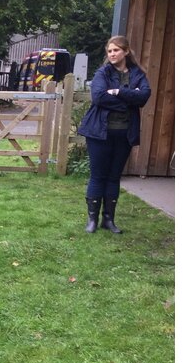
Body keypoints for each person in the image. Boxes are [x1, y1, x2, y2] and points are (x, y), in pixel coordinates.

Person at [76, 35, 151, 234]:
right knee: (98, 176)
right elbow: (99, 97)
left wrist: (118, 92)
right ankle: (92, 220)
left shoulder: (138, 74)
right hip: (99, 133)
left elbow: (143, 96)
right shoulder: (103, 73)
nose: (112, 54)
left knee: (114, 177)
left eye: (116, 50)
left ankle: (108, 220)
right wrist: (128, 101)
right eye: (109, 51)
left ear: (126, 51)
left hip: (125, 134)